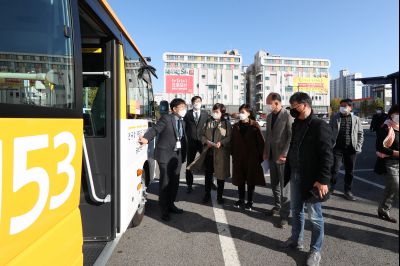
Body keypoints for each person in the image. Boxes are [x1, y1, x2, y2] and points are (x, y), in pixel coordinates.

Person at [280, 92, 333, 266]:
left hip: (313, 178)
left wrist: (323, 180)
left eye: (294, 107)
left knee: (315, 216)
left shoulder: (319, 125)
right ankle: (297, 240)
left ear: (304, 105)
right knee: (296, 210)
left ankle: (315, 250)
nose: (292, 111)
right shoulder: (297, 124)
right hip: (295, 173)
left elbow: (327, 155)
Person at [139, 98, 187, 222]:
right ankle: (164, 210)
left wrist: (183, 156)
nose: (184, 109)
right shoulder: (166, 118)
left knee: (175, 182)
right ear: (174, 109)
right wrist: (146, 138)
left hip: (177, 156)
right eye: (181, 107)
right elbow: (155, 129)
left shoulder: (182, 121)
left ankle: (171, 205)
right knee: (165, 182)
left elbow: (183, 140)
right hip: (165, 155)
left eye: (184, 106)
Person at [188, 103, 231, 204]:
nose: (214, 113)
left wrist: (222, 143)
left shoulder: (226, 123)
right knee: (208, 175)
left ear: (222, 113)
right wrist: (206, 141)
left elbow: (230, 137)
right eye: (214, 111)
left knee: (221, 176)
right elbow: (201, 134)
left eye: (217, 111)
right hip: (209, 152)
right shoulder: (208, 121)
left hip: (221, 153)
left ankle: (220, 196)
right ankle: (206, 194)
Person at [263, 92, 293, 228]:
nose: (268, 106)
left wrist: (285, 154)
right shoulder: (269, 117)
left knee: (284, 186)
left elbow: (291, 137)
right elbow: (268, 136)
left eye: (269, 104)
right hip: (271, 155)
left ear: (277, 103)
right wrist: (265, 152)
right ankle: (277, 206)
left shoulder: (288, 116)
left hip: (283, 157)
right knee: (274, 183)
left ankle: (285, 215)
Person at [231, 104, 265, 210]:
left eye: (243, 112)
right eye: (240, 112)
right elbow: (232, 142)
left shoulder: (254, 125)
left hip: (252, 158)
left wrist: (261, 157)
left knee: (251, 181)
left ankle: (250, 201)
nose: (241, 114)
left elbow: (261, 142)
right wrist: (233, 154)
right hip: (239, 158)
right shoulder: (236, 126)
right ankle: (241, 200)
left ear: (249, 113)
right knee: (240, 180)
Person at [330, 98, 364, 201]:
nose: (342, 108)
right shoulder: (335, 117)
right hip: (337, 148)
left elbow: (360, 134)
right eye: (341, 106)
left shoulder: (356, 119)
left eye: (345, 106)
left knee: (350, 171)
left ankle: (347, 190)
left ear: (350, 107)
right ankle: (331, 188)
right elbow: (329, 131)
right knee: (334, 169)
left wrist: (358, 147)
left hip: (351, 149)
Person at [376, 104, 399, 223]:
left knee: (391, 189)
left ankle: (383, 210)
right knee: (396, 187)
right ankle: (384, 209)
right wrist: (395, 153)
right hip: (391, 163)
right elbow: (380, 147)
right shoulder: (386, 127)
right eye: (398, 114)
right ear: (392, 114)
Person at [184, 96, 209, 194]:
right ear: (192, 103)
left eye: (199, 101)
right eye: (195, 101)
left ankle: (210, 182)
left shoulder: (205, 114)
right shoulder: (187, 114)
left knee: (207, 163)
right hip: (191, 142)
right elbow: (184, 128)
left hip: (202, 142)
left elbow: (208, 127)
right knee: (189, 164)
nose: (197, 103)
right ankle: (189, 185)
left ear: (201, 102)